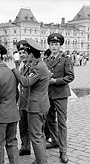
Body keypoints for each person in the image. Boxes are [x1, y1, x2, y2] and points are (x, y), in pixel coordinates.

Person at [12, 38, 49, 164]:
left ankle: (41, 161)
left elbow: (26, 82)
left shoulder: (38, 67)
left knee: (36, 136)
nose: (24, 55)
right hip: (39, 104)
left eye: (26, 52)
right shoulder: (37, 64)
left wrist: (15, 70)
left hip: (36, 106)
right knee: (39, 134)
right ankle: (41, 159)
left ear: (32, 53)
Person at [43, 33, 74, 163]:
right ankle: (55, 141)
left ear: (60, 46)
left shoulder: (66, 59)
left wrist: (55, 81)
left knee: (62, 123)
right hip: (48, 95)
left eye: (56, 44)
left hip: (60, 94)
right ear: (49, 45)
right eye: (52, 44)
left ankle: (63, 151)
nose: (54, 46)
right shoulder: (46, 60)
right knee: (50, 120)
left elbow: (70, 77)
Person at [16, 40, 32, 156]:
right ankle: (25, 146)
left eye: (24, 52)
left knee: (34, 129)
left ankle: (39, 152)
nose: (22, 55)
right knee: (22, 126)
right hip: (22, 102)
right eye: (20, 52)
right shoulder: (22, 67)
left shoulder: (33, 66)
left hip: (32, 102)